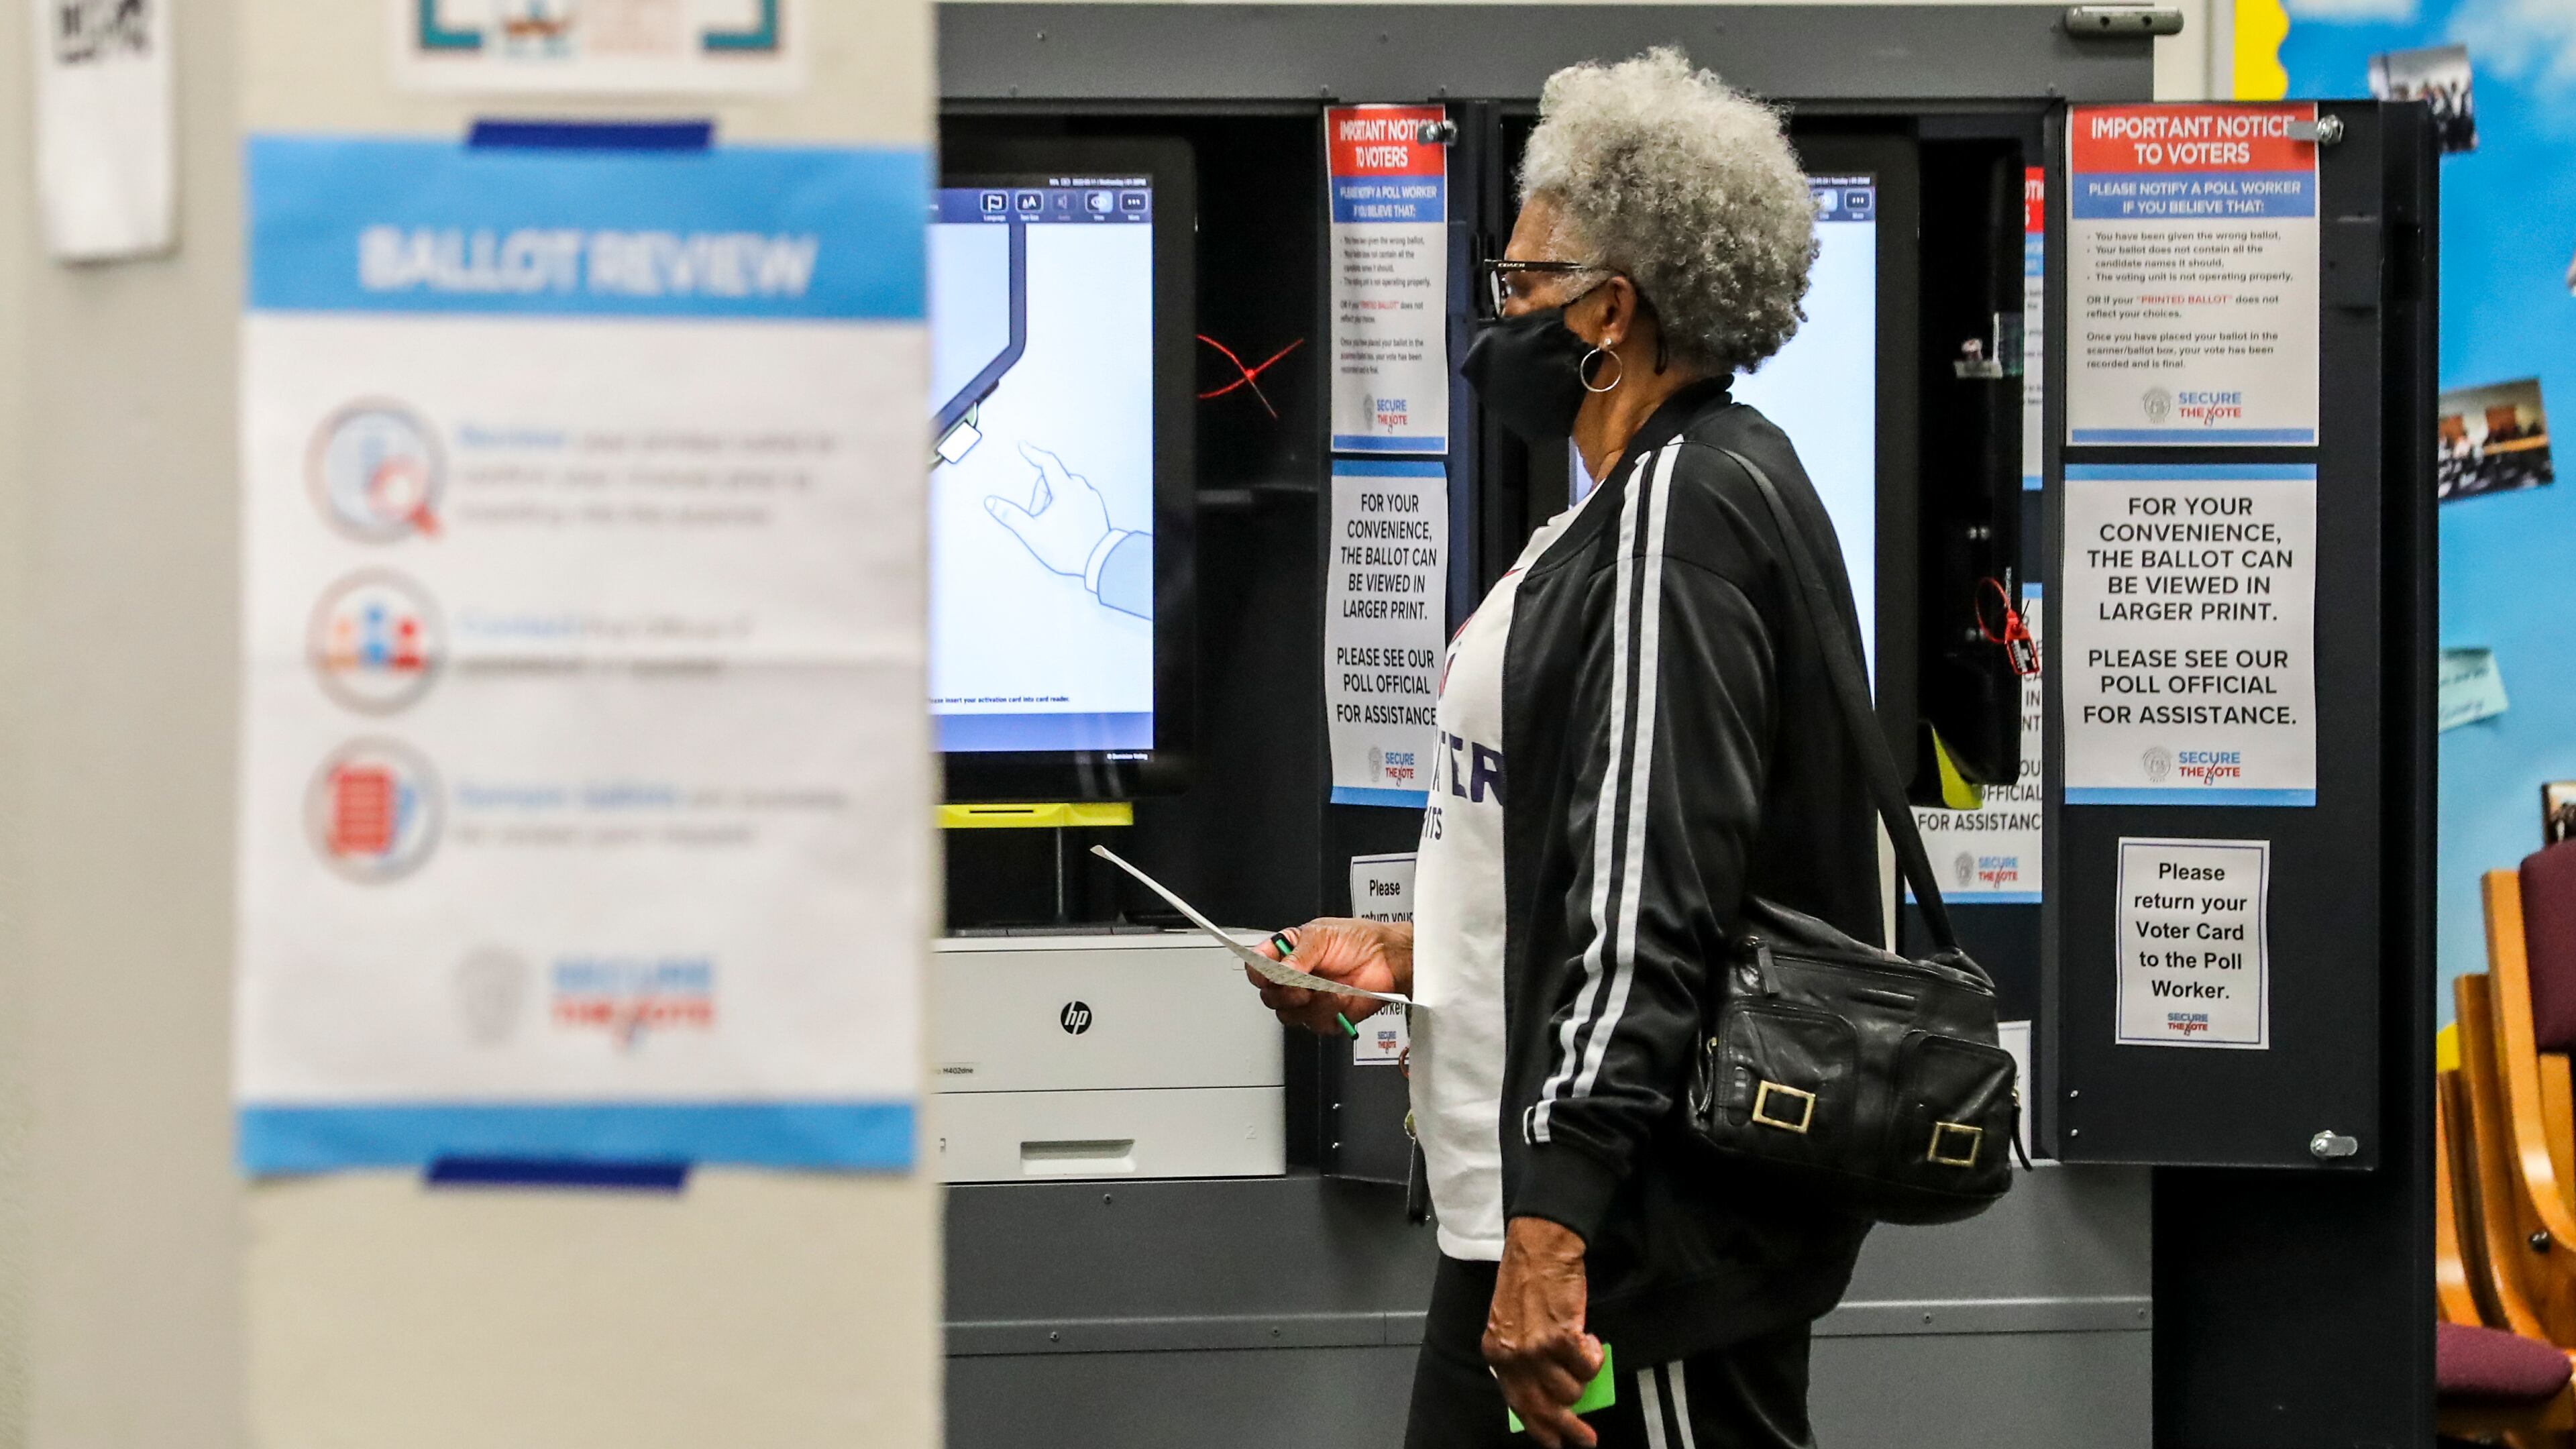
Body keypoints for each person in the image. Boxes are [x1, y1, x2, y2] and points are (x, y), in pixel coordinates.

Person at [1248, 50, 1882, 1449]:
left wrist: (1558, 1227)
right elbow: (1583, 856)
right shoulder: (1623, 517)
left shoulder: (1687, 515)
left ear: (1609, 312)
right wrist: (1421, 959)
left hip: (1617, 1252)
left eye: (1524, 285)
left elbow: (1660, 904)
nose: (1501, 318)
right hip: (1533, 1214)